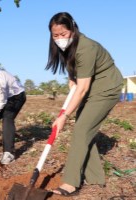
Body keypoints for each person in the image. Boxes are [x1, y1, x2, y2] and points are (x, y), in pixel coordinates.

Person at [45, 12, 123, 196]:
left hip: (106, 88)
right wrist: (72, 78)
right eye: (55, 36)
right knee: (84, 130)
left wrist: (64, 115)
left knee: (80, 130)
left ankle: (70, 183)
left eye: (63, 34)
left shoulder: (86, 47)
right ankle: (95, 178)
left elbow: (82, 88)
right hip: (91, 88)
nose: (59, 39)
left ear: (72, 29)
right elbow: (77, 75)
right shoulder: (67, 48)